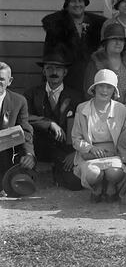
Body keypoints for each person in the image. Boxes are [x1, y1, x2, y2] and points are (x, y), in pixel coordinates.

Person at [24, 51, 82, 190]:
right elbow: (24, 117)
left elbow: (84, 125)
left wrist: (76, 153)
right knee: (23, 182)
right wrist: (49, 123)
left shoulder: (75, 97)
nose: (54, 72)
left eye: (58, 68)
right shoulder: (32, 93)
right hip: (38, 145)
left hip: (64, 149)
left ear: (65, 72)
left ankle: (59, 171)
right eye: (49, 68)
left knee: (75, 183)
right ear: (44, 72)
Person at [72, 69, 126, 202]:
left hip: (114, 154)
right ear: (94, 88)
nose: (104, 90)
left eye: (109, 87)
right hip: (89, 156)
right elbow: (76, 138)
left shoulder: (121, 109)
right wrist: (91, 149)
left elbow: (124, 136)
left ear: (114, 91)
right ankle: (97, 187)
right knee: (93, 174)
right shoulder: (82, 108)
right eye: (101, 86)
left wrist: (117, 153)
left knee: (114, 173)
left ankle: (110, 186)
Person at [42, 0, 107, 93]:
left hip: (92, 77)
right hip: (66, 79)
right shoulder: (55, 26)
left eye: (80, 1)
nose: (77, 5)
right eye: (73, 1)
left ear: (84, 4)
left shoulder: (98, 25)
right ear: (67, 5)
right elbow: (49, 56)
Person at [84, 23, 126, 114]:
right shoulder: (95, 64)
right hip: (102, 115)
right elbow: (89, 94)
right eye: (114, 39)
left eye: (121, 40)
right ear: (106, 42)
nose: (118, 43)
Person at [0, 62, 36, 183]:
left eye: (1, 79)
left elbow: (25, 132)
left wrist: (29, 155)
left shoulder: (18, 101)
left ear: (9, 81)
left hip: (5, 155)